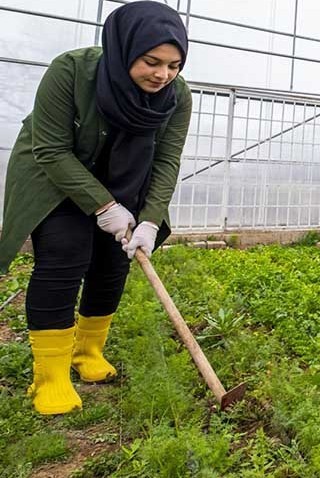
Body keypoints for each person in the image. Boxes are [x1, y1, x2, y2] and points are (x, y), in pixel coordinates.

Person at [0, 1, 191, 415]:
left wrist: (150, 220)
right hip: (54, 176)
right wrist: (104, 205)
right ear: (124, 49)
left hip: (127, 181)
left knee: (113, 262)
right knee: (64, 256)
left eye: (174, 64)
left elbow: (166, 160)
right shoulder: (71, 71)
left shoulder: (176, 96)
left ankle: (87, 352)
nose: (163, 74)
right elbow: (51, 148)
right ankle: (48, 377)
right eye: (151, 61)